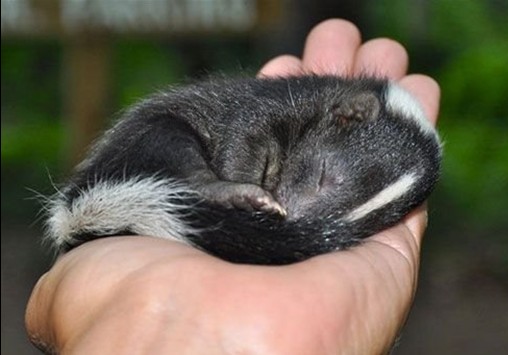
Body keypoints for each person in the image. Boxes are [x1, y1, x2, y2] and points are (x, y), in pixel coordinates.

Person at [25, 19, 440, 354]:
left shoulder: (333, 131)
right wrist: (225, 188)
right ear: (347, 115)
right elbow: (243, 132)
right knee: (170, 133)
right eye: (324, 180)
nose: (303, 212)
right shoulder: (287, 109)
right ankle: (203, 189)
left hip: (134, 215)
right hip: (117, 182)